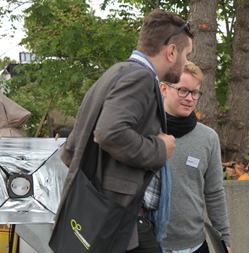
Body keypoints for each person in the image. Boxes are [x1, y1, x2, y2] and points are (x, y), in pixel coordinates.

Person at [56, 9, 193, 253]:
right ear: (171, 51)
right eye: (186, 55)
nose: (185, 64)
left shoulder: (113, 74)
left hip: (92, 217)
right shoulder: (140, 78)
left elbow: (70, 150)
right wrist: (160, 148)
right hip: (120, 222)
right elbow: (109, 133)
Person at [159, 62, 232, 253]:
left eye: (195, 92)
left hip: (194, 246)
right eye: (183, 90)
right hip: (149, 244)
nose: (190, 98)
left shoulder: (208, 138)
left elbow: (215, 193)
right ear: (164, 89)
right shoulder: (144, 132)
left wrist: (224, 241)